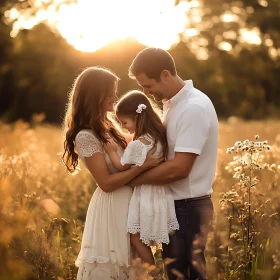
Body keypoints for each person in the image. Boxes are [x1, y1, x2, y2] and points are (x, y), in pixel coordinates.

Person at [128, 48, 218, 280]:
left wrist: (132, 179)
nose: (147, 93)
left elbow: (180, 168)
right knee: (178, 274)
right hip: (176, 205)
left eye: (149, 86)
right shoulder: (172, 105)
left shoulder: (193, 108)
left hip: (188, 207)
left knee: (186, 275)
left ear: (166, 74)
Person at [62, 66, 159, 280]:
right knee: (114, 265)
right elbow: (105, 182)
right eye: (111, 92)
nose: (115, 96)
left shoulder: (109, 125)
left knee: (135, 263)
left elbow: (138, 144)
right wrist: (142, 168)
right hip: (112, 206)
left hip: (129, 203)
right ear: (95, 94)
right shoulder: (85, 136)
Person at [104, 90, 179, 277]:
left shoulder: (138, 144)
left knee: (136, 238)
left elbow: (122, 167)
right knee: (156, 238)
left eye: (125, 122)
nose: (124, 127)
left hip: (144, 195)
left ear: (137, 118)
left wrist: (112, 150)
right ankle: (163, 271)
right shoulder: (159, 136)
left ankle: (154, 274)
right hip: (161, 194)